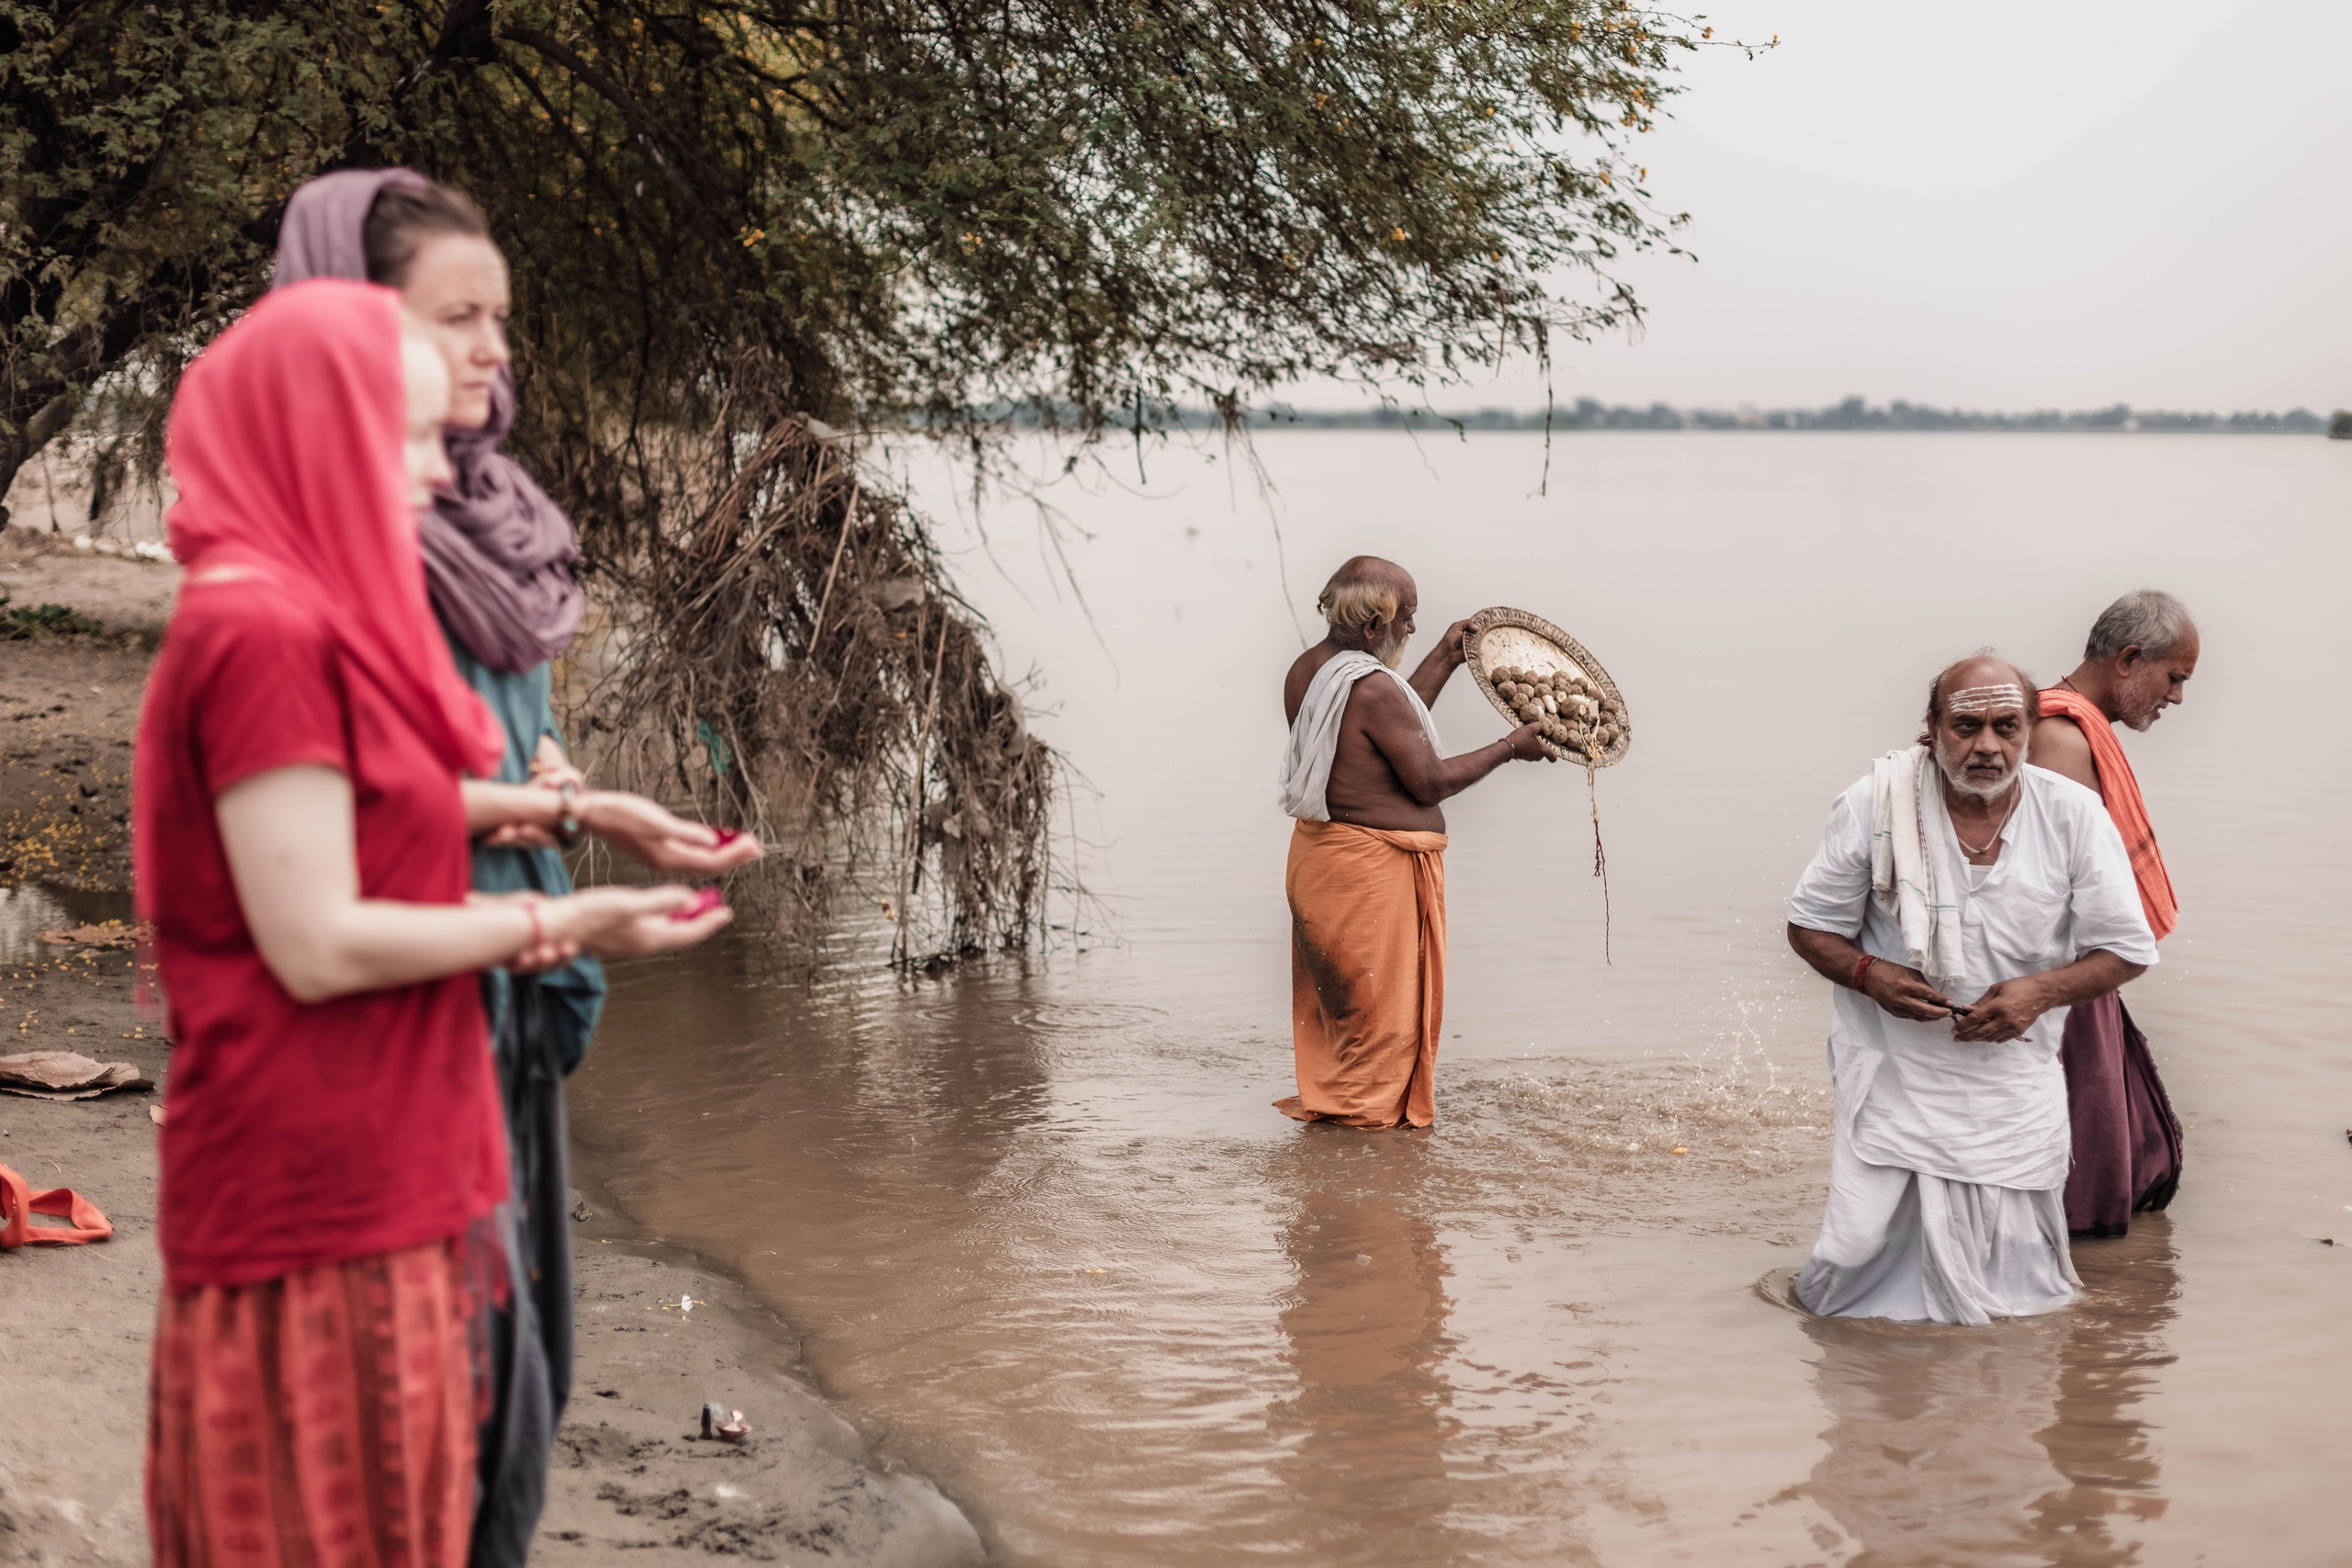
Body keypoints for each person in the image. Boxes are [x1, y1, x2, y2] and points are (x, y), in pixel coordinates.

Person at [138, 280, 730, 1568]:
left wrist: (579, 807)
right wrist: (564, 927)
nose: (434, 474)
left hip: (395, 1168)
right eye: (405, 440)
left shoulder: (300, 606)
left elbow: (358, 796)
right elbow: (317, 938)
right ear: (313, 438)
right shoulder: (259, 623)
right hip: (316, 1196)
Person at [273, 168, 763, 1567]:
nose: (497, 350)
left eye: (506, 317)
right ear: (345, 329)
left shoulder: (483, 517)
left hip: (510, 992)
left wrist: (576, 800)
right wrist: (564, 831)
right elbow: (331, 812)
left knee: (516, 1385)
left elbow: (463, 756)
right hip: (403, 1003)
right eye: (458, 317)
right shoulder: (324, 548)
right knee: (436, 1417)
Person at [1782, 654, 2157, 1324]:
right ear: (1931, 729)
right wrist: (1871, 975)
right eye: (1966, 725)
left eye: (2006, 726)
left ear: (2030, 731)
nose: (1987, 745)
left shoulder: (2074, 816)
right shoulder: (1874, 804)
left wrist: (2039, 993)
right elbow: (1809, 927)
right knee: (1851, 1279)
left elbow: (2128, 949)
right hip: (1897, 1080)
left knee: (2021, 1302)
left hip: (2013, 1092)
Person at [1274, 557, 1547, 1129]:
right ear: (1374, 626)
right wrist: (1509, 747)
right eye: (1409, 617)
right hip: (1367, 872)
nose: (1413, 629)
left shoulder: (1311, 669)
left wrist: (1447, 657)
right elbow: (1429, 780)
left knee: (1350, 1017)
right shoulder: (1370, 687)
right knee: (1380, 1025)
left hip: (1326, 861)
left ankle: (1344, 1142)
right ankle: (1364, 1167)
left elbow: (1397, 721)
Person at [2032, 591, 2197, 1237]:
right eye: (2174, 677)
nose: (2177, 697)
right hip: (2058, 977)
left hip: (2076, 972)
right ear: (2130, 659)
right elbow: (2047, 889)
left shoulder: (2063, 728)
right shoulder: (2060, 737)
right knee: (2089, 1164)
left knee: (2115, 1148)